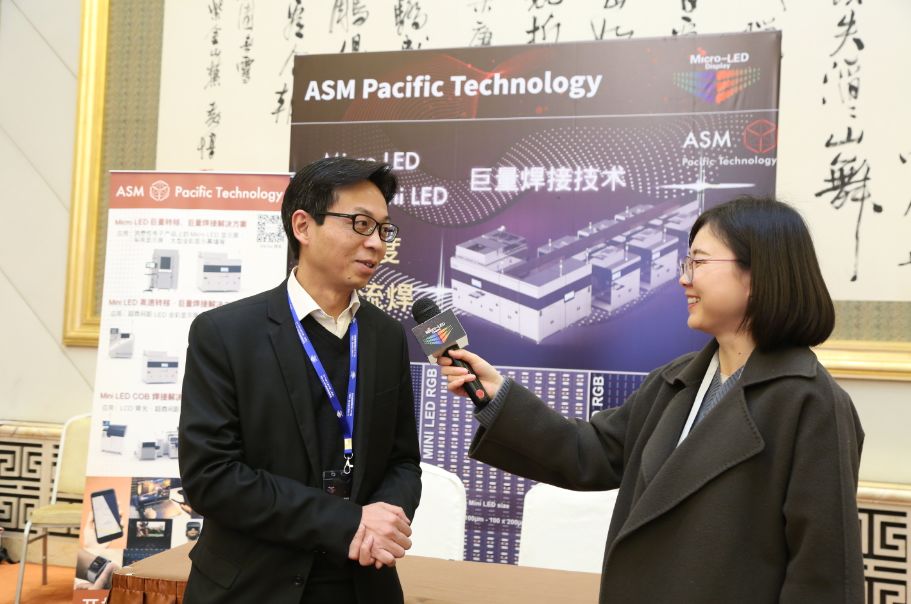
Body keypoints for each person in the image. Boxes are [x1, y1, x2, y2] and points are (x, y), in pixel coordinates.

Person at [440, 196, 864, 603]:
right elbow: (588, 451)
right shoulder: (676, 380)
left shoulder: (812, 403)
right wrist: (497, 395)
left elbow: (823, 576)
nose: (684, 278)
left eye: (699, 262)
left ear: (758, 274)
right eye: (686, 263)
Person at [179, 157, 422, 604]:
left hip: (361, 581)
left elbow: (403, 461)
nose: (376, 244)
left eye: (383, 229)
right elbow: (212, 477)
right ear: (303, 226)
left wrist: (383, 520)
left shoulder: (385, 336)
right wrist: (346, 522)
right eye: (360, 224)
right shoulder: (226, 333)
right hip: (252, 585)